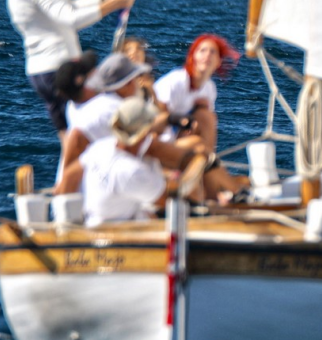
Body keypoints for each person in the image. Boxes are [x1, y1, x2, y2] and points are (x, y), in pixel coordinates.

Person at [4, 0, 138, 142]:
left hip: (38, 74)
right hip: (61, 71)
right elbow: (71, 17)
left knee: (68, 136)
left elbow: (70, 6)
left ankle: (66, 175)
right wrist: (118, 3)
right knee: (96, 123)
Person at [57, 53, 155, 193]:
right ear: (126, 85)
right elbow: (151, 141)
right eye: (136, 79)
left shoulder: (76, 106)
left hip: (74, 191)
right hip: (87, 197)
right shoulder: (114, 110)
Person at [80, 97, 168, 226]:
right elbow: (164, 200)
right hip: (118, 237)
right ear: (144, 133)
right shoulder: (132, 171)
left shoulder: (99, 147)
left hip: (93, 224)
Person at [153, 34, 239, 154]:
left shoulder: (209, 88)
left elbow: (203, 124)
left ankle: (208, 160)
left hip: (177, 141)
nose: (208, 54)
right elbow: (154, 122)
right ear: (192, 56)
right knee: (198, 143)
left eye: (213, 52)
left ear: (219, 61)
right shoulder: (175, 82)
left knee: (206, 117)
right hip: (151, 142)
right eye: (202, 50)